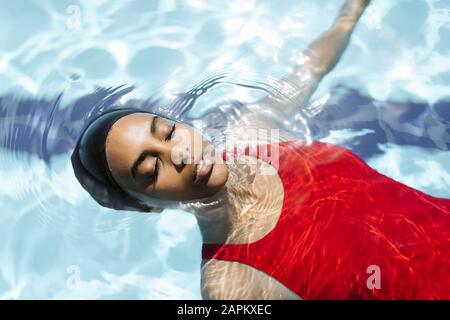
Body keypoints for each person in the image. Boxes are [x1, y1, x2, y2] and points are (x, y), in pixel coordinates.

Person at [71, 0, 450, 299]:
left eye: (167, 132)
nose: (179, 154)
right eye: (151, 171)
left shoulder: (251, 133)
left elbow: (310, 68)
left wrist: (352, 10)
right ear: (146, 205)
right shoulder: (231, 283)